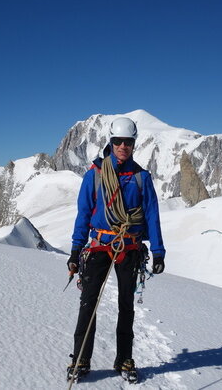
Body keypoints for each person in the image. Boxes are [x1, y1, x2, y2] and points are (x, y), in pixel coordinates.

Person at [66, 116, 166, 383]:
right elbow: (83, 214)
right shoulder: (95, 175)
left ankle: (124, 357)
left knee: (126, 305)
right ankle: (80, 358)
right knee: (88, 303)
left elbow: (152, 216)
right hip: (99, 245)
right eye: (118, 142)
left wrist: (158, 251)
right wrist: (76, 251)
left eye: (128, 142)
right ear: (110, 143)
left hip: (129, 246)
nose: (123, 146)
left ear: (134, 144)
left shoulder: (141, 178)